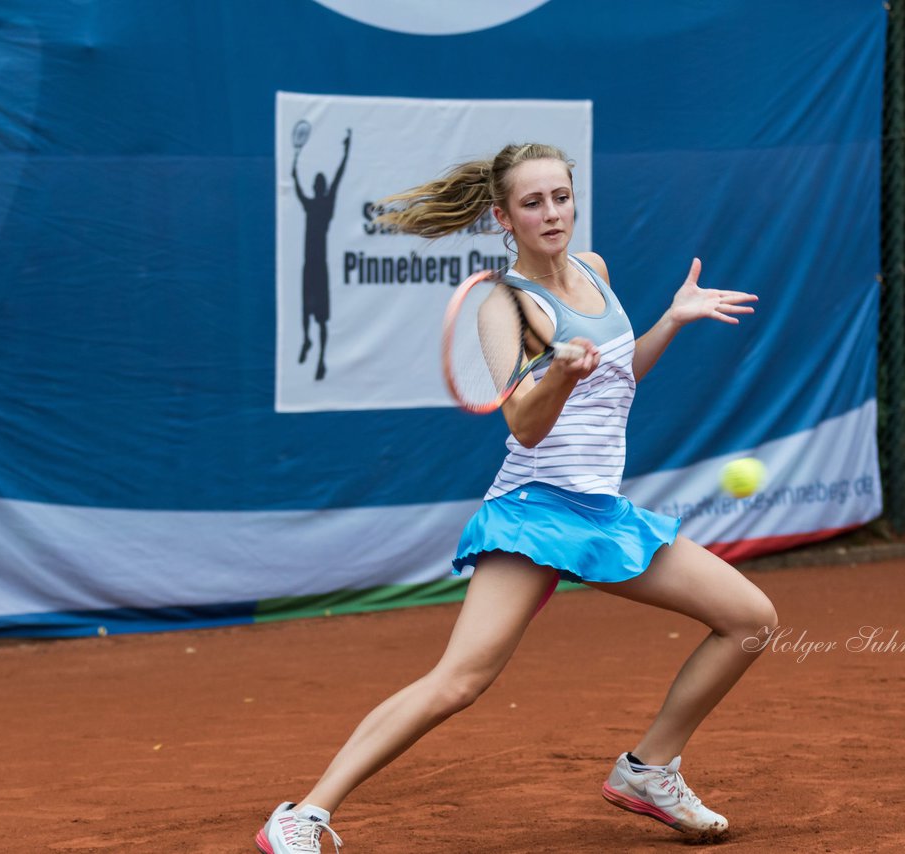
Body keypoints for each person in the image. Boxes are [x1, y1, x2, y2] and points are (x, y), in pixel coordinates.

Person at [256, 143, 778, 854]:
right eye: (533, 203)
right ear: (503, 217)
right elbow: (525, 425)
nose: (552, 213)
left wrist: (671, 321)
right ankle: (303, 814)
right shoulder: (505, 305)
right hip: (534, 511)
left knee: (750, 618)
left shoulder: (594, 269)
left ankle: (648, 770)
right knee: (459, 681)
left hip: (601, 511)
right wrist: (558, 374)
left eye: (560, 196)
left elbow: (622, 378)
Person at [293, 129, 351, 381]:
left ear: (323, 187)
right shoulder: (310, 204)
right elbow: (296, 188)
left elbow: (338, 178)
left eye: (320, 183)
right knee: (305, 313)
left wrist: (346, 152)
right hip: (309, 266)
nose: (318, 185)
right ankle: (306, 341)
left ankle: (321, 361)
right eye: (316, 183)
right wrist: (294, 164)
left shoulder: (326, 204)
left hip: (320, 268)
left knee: (322, 321)